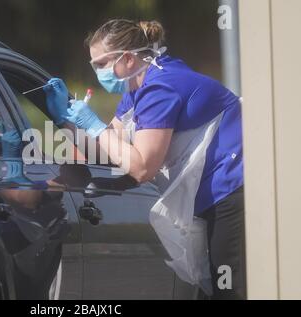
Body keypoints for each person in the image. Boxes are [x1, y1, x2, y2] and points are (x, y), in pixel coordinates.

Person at [44, 19, 245, 299]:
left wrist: (94, 125)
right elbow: (108, 150)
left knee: (229, 290)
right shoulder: (138, 85)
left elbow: (141, 168)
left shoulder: (159, 87)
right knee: (212, 288)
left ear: (127, 58)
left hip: (231, 187)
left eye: (100, 64)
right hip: (211, 191)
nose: (97, 73)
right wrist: (64, 120)